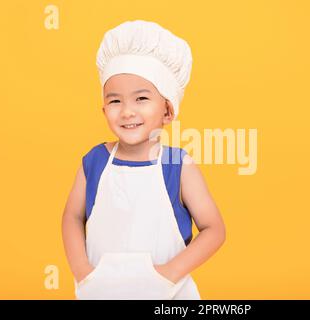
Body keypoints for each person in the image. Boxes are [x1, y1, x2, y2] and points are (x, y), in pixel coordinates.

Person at [61, 20, 226, 300]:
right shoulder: (94, 162)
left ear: (168, 111)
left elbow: (214, 229)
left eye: (141, 98)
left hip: (169, 295)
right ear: (104, 110)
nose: (127, 111)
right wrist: (82, 271)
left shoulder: (178, 166)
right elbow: (72, 216)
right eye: (115, 101)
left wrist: (170, 273)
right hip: (100, 292)